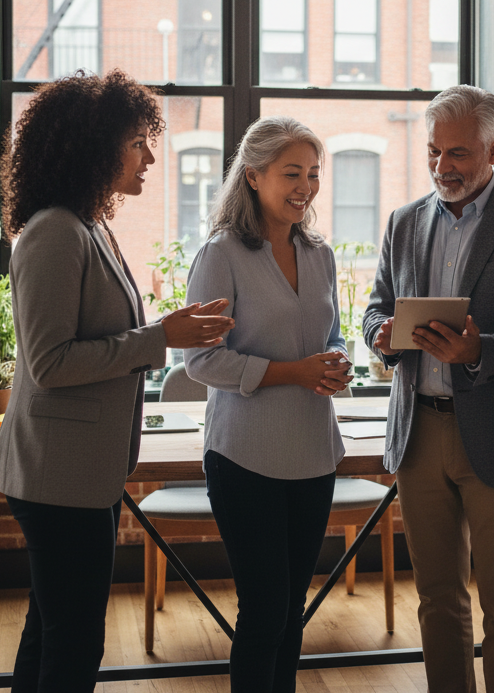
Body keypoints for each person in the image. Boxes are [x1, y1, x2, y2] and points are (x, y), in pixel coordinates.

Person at [0, 70, 234, 693]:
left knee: (51, 631)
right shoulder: (54, 232)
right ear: (95, 147)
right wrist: (161, 339)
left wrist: (163, 332)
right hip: (56, 477)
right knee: (74, 644)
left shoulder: (89, 223)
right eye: (137, 143)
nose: (150, 155)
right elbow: (50, 363)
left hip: (76, 472)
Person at [362, 84, 494, 693]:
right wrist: (381, 334)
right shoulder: (404, 221)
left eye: (456, 154)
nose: (441, 167)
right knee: (437, 599)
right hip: (418, 431)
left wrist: (481, 350)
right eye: (433, 152)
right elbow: (376, 308)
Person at [183, 116, 353, 693]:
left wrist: (335, 359)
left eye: (312, 174)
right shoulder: (220, 253)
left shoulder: (320, 252)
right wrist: (293, 373)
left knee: (292, 611)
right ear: (253, 176)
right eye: (291, 174)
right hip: (244, 458)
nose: (305, 186)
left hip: (313, 453)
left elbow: (328, 335)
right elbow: (201, 362)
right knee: (264, 611)